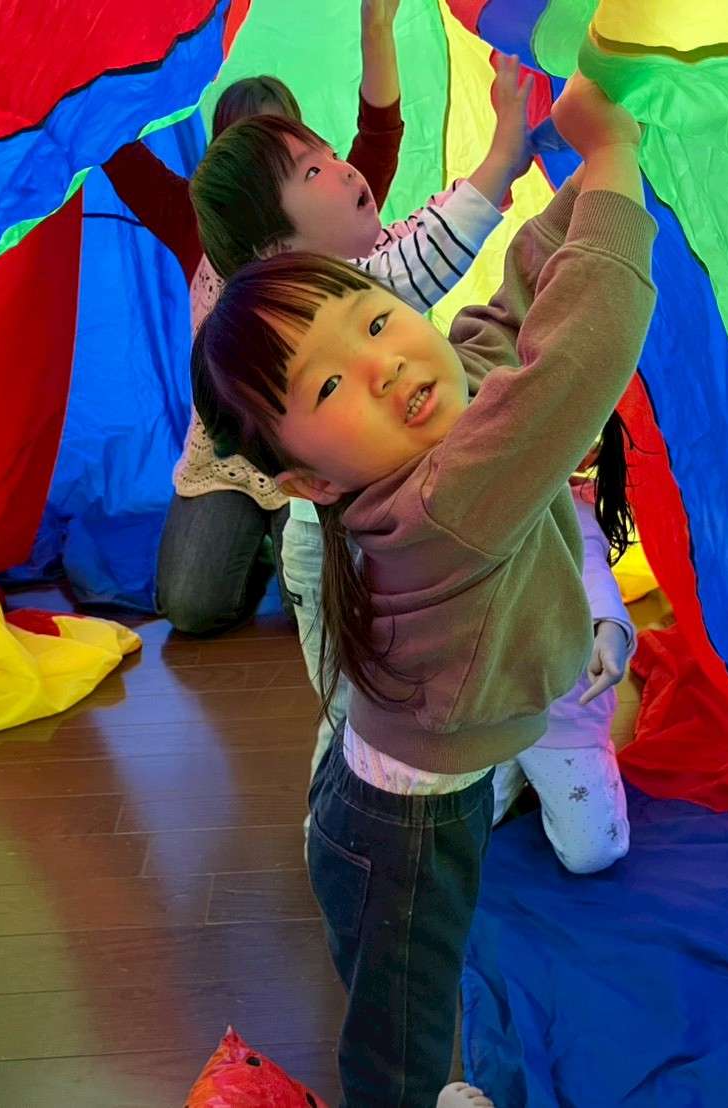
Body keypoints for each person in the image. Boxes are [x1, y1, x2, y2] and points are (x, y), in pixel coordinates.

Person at [192, 72, 656, 1108]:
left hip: (387, 787)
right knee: (400, 1033)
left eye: (369, 322)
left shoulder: (445, 411)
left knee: (401, 996)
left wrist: (579, 189)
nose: (383, 367)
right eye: (326, 386)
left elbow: (519, 309)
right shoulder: (445, 498)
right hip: (399, 832)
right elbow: (579, 354)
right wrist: (615, 158)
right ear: (309, 481)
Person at [188, 56, 534, 787]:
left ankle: (415, 779)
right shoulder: (330, 298)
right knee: (357, 698)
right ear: (277, 253)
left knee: (389, 685)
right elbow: (430, 251)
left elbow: (418, 222)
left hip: (369, 535)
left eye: (328, 152)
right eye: (312, 171)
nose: (344, 168)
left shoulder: (358, 262)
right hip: (335, 550)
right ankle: (350, 802)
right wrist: (506, 150)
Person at [102, 0, 407, 634]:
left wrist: (377, 28)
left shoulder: (329, 221)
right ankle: (254, 547)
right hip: (232, 459)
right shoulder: (196, 223)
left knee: (327, 605)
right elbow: (116, 149)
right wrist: (89, 59)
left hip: (315, 455)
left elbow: (378, 136)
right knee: (192, 607)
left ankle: (284, 544)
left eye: (283, 152)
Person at [489, 422, 638, 874]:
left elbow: (593, 577)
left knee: (592, 854)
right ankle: (522, 776)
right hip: (486, 717)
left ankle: (584, 772)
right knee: (460, 827)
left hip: (560, 716)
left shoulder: (572, 514)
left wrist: (609, 630)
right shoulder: (463, 503)